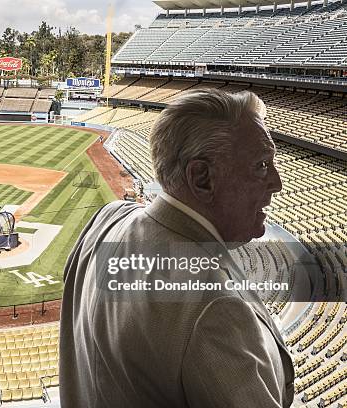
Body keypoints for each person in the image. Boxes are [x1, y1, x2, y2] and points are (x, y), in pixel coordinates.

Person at [60, 89, 293, 408]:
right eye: (261, 166)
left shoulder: (106, 221)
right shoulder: (215, 310)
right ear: (202, 179)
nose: (277, 183)